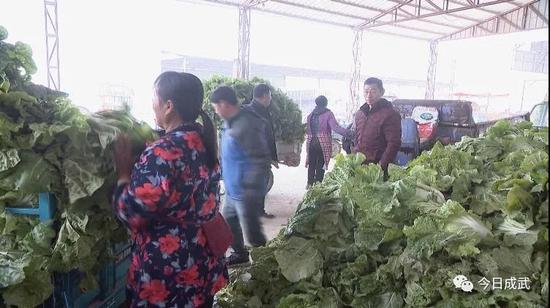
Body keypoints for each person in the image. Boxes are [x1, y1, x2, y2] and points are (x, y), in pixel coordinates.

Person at [113, 72, 228, 307]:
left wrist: (123, 173)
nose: (151, 103)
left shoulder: (161, 152)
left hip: (169, 274)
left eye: (154, 97)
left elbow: (131, 213)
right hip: (203, 266)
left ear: (168, 105)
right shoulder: (203, 141)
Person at [210, 85, 270, 266]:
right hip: (232, 189)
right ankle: (240, 254)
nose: (215, 111)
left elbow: (260, 159)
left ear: (224, 104)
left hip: (245, 190)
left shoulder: (247, 124)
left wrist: (250, 188)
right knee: (229, 223)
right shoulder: (229, 122)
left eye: (215, 107)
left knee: (252, 231)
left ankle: (267, 261)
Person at [352, 77, 401, 181]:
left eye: (373, 91)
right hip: (359, 167)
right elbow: (356, 138)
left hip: (377, 169)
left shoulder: (390, 114)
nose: (369, 95)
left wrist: (380, 167)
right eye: (366, 92)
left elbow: (393, 143)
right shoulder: (359, 114)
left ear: (382, 92)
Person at [242, 83, 277, 218]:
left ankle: (259, 211)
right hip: (251, 156)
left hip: (262, 156)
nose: (271, 98)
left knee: (261, 184)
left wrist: (272, 156)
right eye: (270, 95)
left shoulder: (262, 110)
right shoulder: (246, 111)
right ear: (264, 96)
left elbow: (269, 135)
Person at [305, 95, 350, 187]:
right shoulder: (328, 114)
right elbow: (335, 127)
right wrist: (349, 133)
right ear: (326, 103)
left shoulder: (310, 115)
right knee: (320, 165)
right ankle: (318, 186)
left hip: (311, 143)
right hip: (323, 143)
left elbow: (307, 130)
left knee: (312, 165)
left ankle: (309, 184)